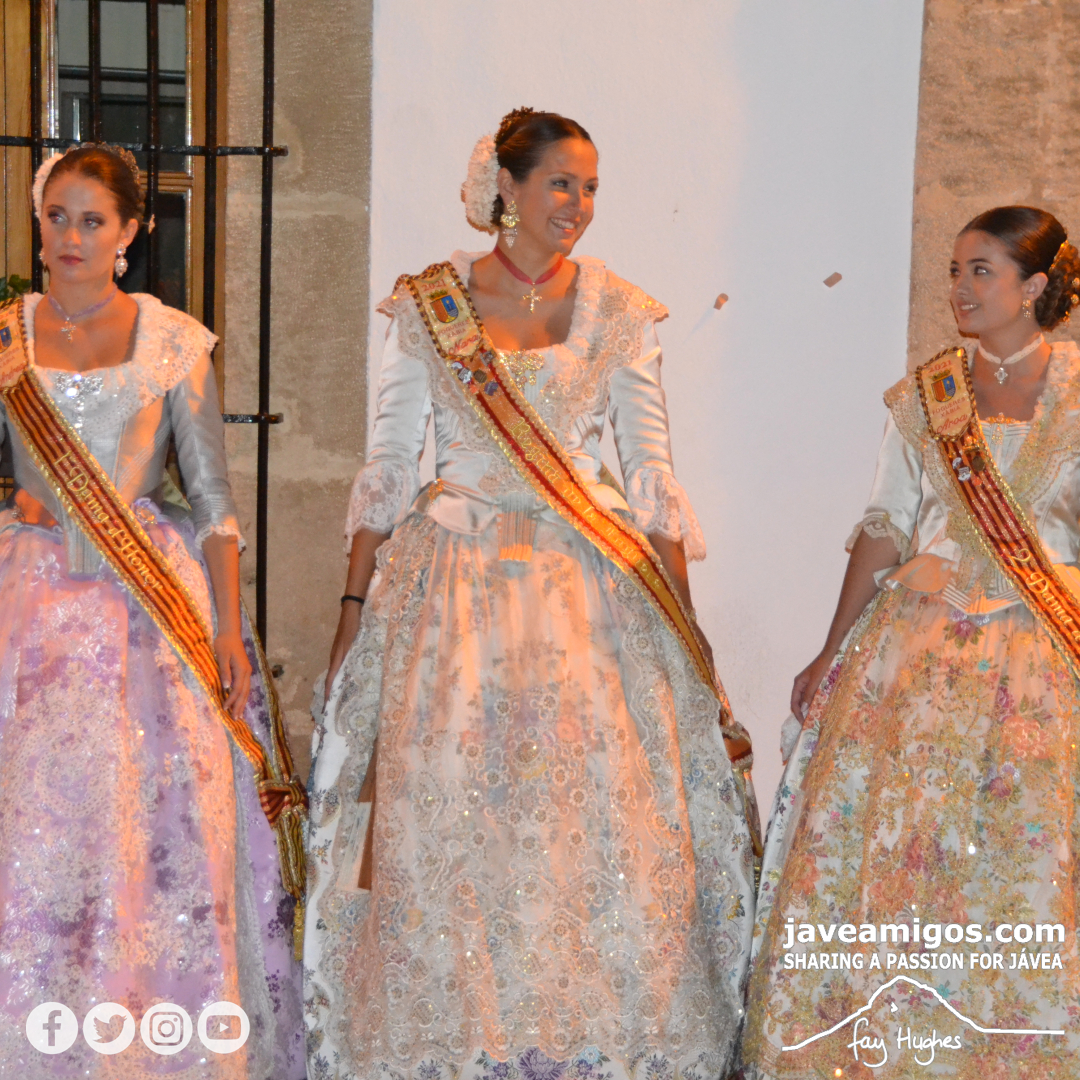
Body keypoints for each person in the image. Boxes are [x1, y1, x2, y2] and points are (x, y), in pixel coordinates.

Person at [304, 109, 759, 1080]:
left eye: (590, 188)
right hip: (449, 598)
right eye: (561, 182)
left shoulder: (621, 312)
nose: (579, 205)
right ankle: (459, 1042)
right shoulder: (428, 307)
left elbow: (651, 476)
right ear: (505, 187)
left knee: (588, 823)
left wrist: (690, 636)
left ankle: (585, 1042)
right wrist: (350, 612)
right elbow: (389, 464)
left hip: (586, 601)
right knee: (452, 818)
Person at [741, 206, 1080, 1078]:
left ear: (1034, 286)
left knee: (1023, 854)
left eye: (980, 271)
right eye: (955, 270)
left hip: (1046, 660)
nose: (959, 287)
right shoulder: (927, 397)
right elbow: (886, 527)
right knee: (903, 849)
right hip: (918, 658)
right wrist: (831, 649)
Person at [0, 144, 305, 1077]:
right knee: (35, 832)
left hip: (145, 618)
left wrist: (228, 628)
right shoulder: (7, 335)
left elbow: (212, 501)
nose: (71, 237)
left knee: (145, 833)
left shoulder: (173, 342)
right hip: (28, 609)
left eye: (93, 220)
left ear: (131, 231)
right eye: (57, 217)